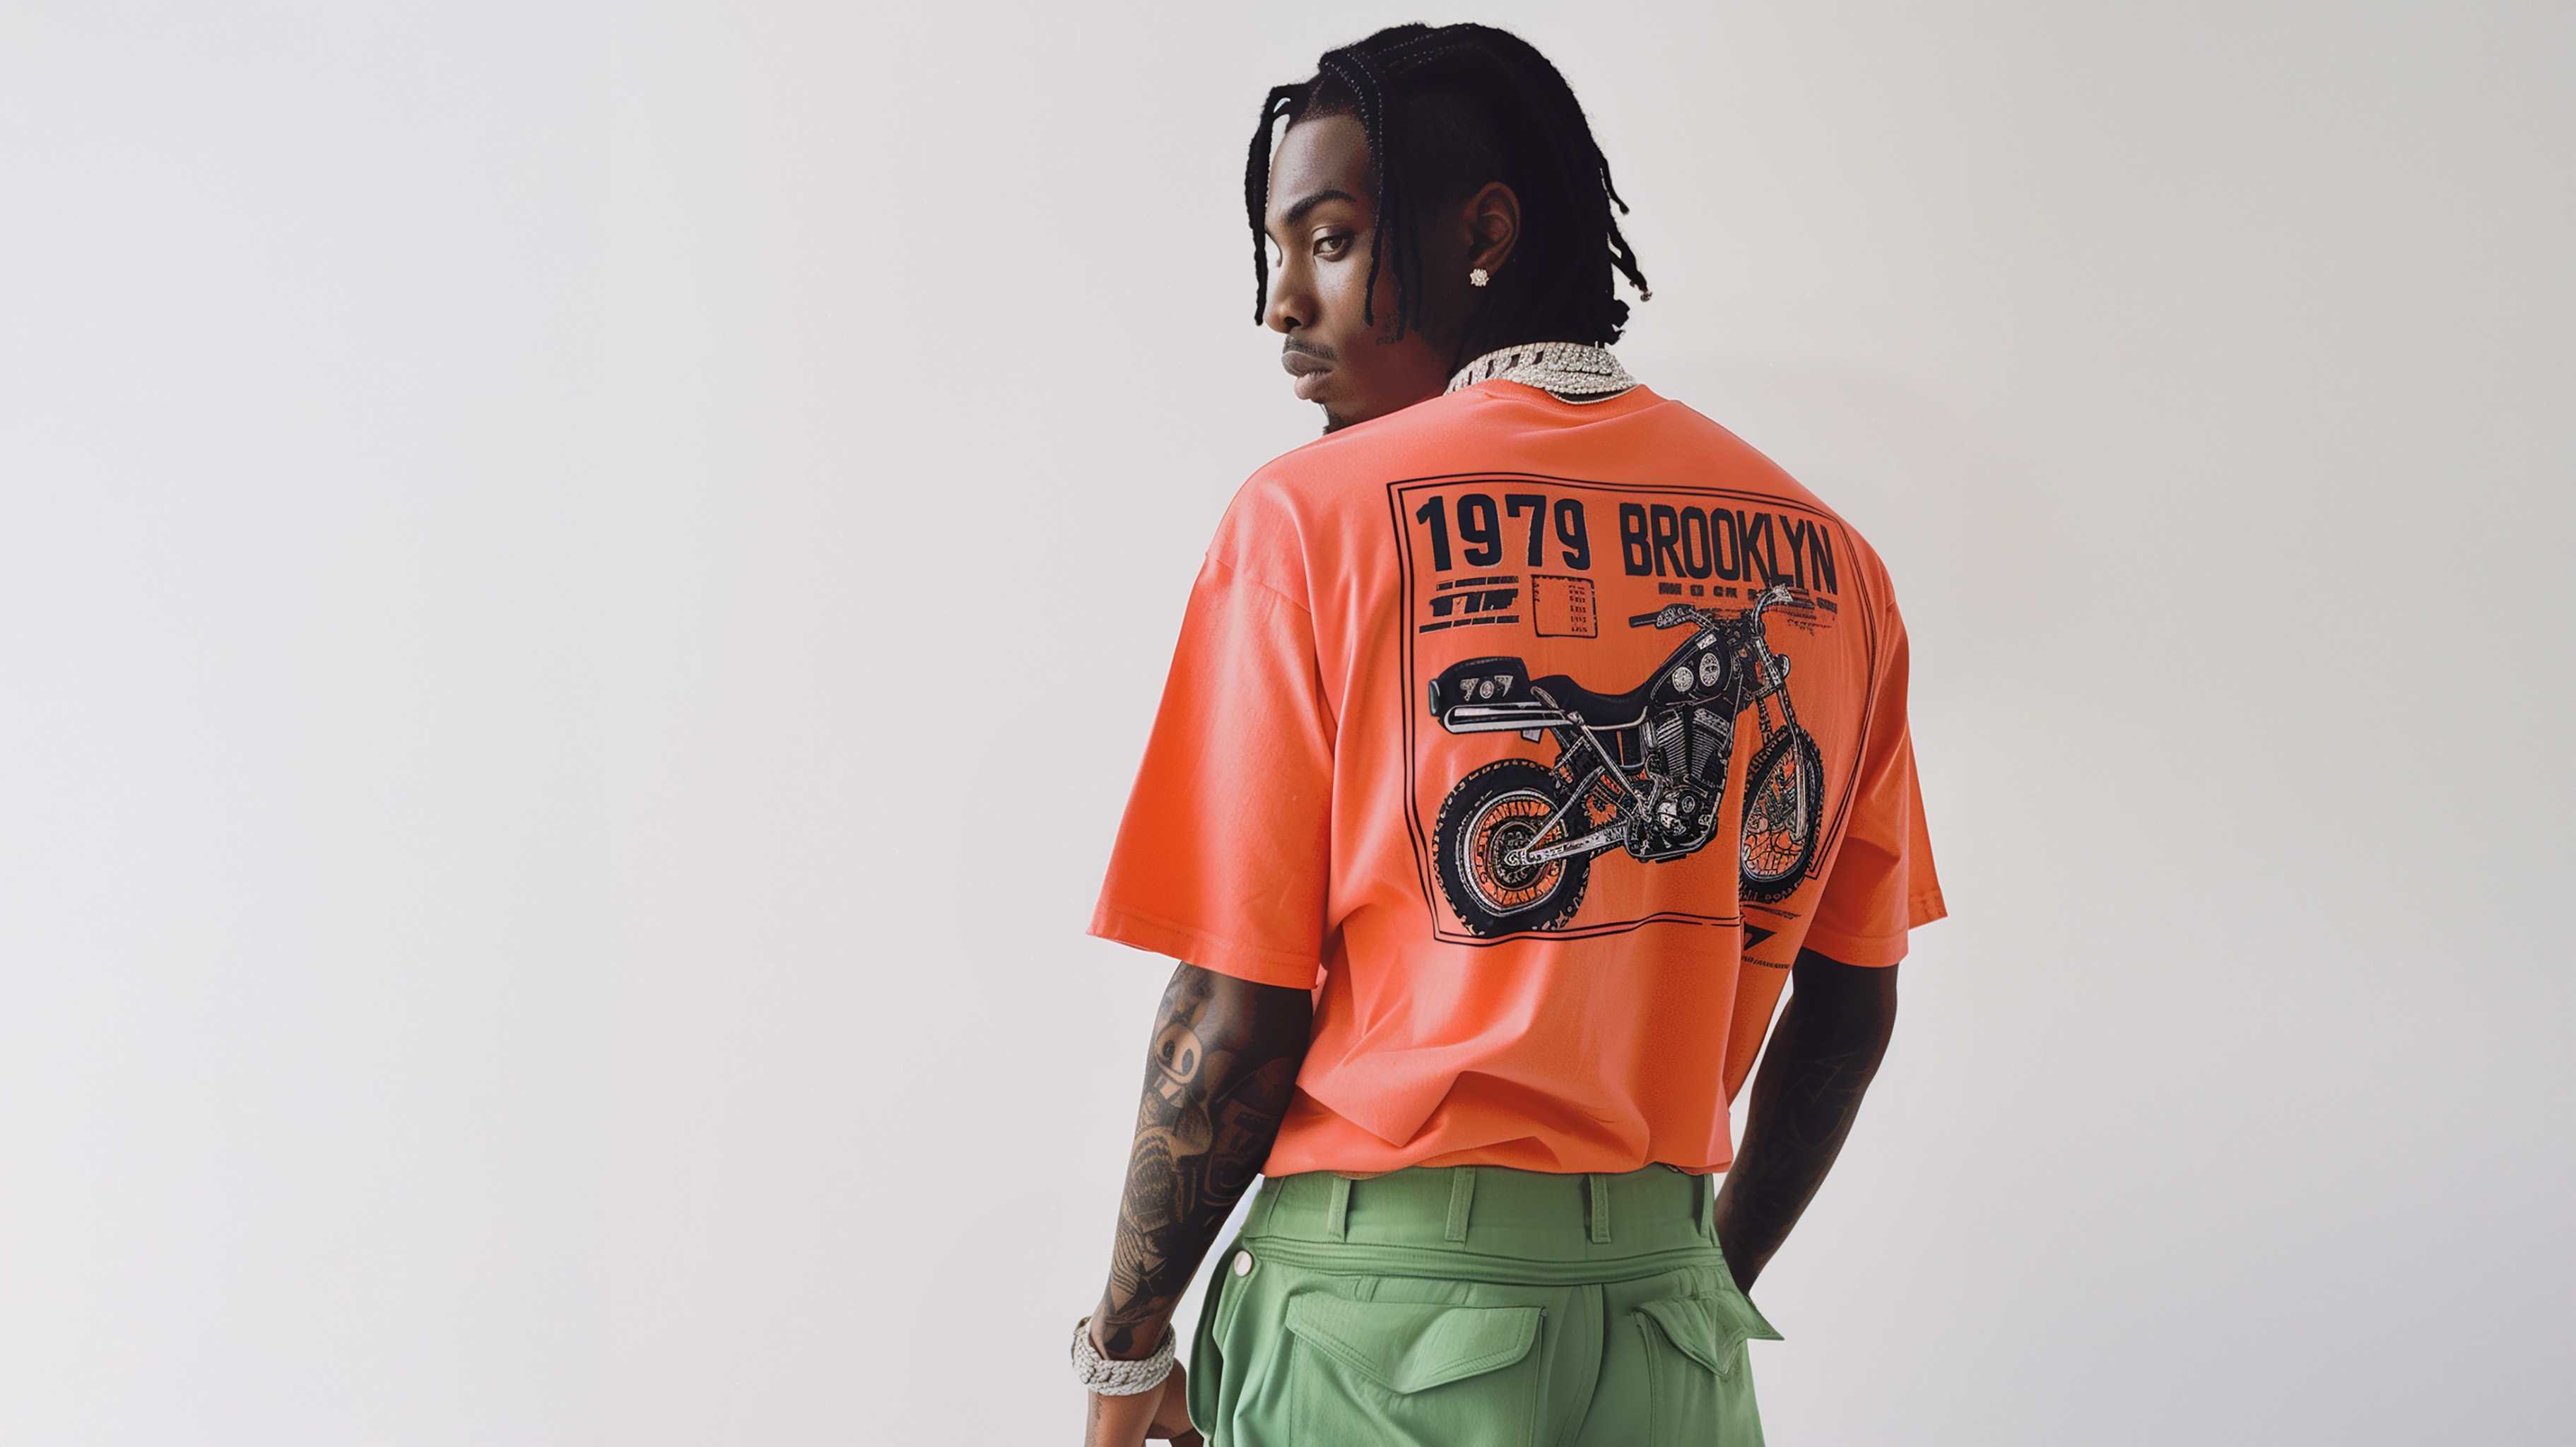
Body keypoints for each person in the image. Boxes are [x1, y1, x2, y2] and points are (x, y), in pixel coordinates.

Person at [1069, 22, 1948, 1447]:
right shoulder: (1829, 560)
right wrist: (1695, 1283)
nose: (1281, 303)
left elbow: (1232, 1016)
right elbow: (1850, 1004)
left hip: (1377, 1321)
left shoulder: (1306, 523)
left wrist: (1122, 1350)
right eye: (1277, 251)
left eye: (1329, 241)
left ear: (1481, 233)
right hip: (1669, 1329)